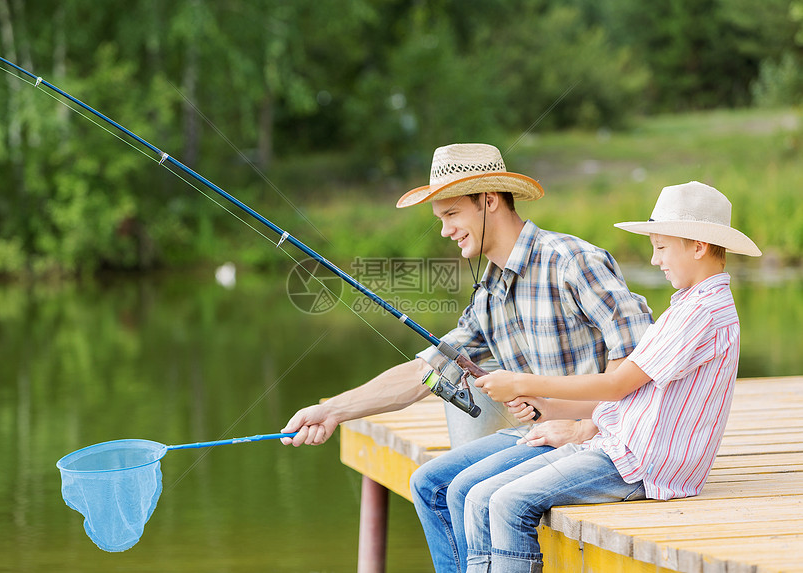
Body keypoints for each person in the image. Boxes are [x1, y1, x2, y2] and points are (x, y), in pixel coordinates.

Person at [280, 143, 654, 572]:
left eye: (452, 215)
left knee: (465, 492)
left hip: (598, 439)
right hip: (540, 434)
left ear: (489, 200)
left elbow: (639, 356)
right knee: (429, 483)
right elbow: (424, 372)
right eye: (441, 219)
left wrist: (582, 423)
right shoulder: (489, 294)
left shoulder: (572, 262)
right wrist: (331, 410)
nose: (445, 230)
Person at [466, 181, 761, 572]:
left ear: (698, 246)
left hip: (640, 464)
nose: (655, 260)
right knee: (479, 496)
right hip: (616, 448)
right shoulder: (689, 306)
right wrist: (553, 408)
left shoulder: (704, 312)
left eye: (660, 247)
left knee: (508, 503)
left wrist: (521, 382)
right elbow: (630, 394)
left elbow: (617, 384)